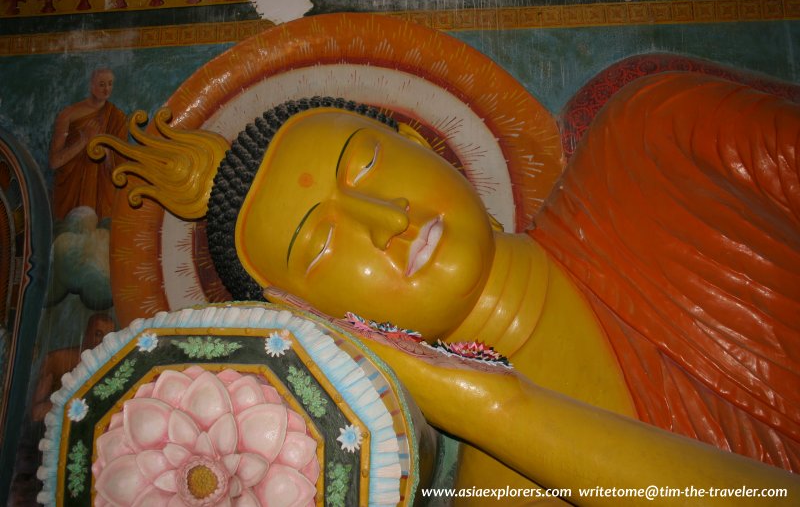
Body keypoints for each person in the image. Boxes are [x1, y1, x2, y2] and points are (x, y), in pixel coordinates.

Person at [97, 76, 800, 504]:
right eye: (321, 245)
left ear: (419, 140)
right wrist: (499, 413)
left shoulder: (656, 137)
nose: (388, 223)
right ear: (316, 321)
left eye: (368, 162)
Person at [49, 68, 126, 221]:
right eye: (102, 84)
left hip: (102, 191)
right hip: (71, 190)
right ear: (91, 86)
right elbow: (54, 162)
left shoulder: (117, 117)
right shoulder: (68, 115)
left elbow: (120, 167)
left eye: (110, 84)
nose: (107, 89)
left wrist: (106, 152)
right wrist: (83, 141)